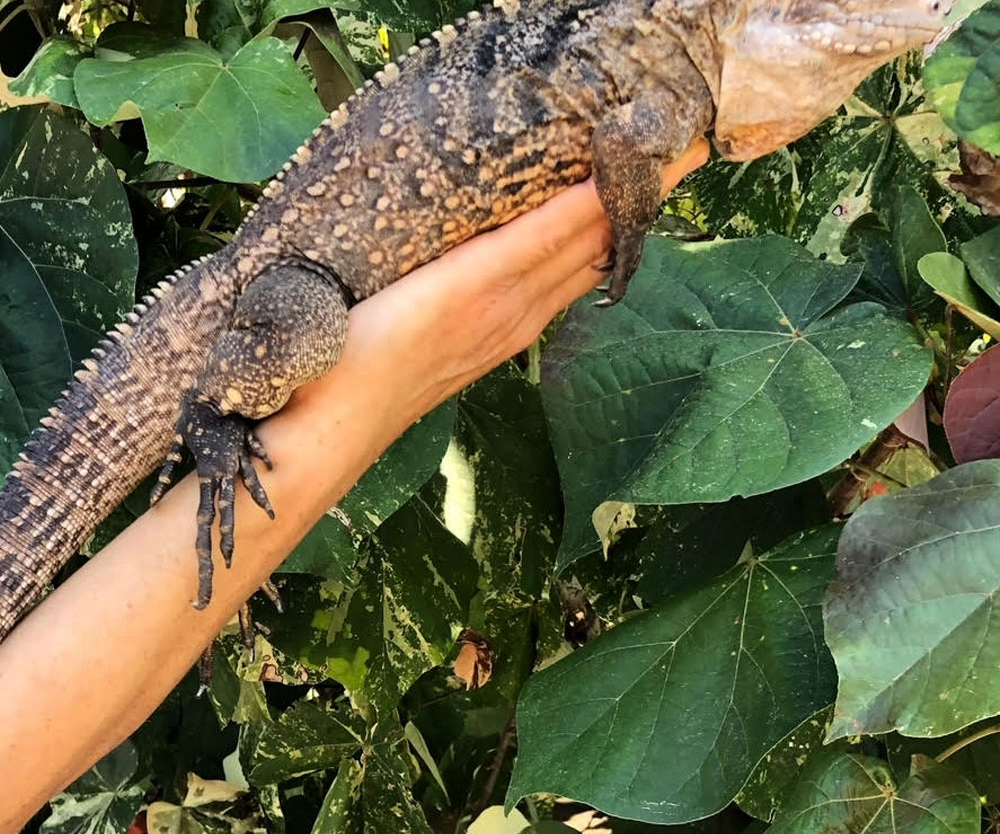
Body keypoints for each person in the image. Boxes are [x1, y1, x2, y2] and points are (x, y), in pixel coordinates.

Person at [0, 139, 710, 830]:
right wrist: (378, 392)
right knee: (305, 340)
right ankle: (213, 410)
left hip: (291, 275)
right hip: (293, 287)